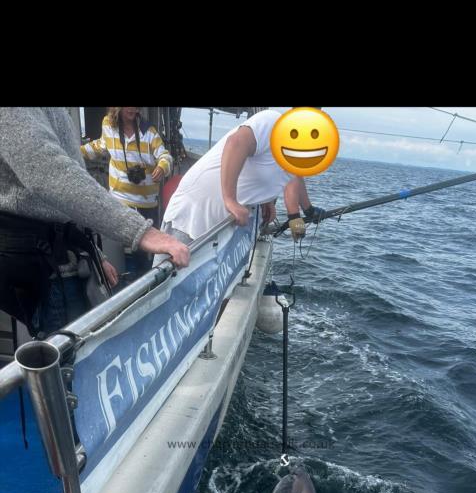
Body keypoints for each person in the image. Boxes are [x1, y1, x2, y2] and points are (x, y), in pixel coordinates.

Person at [0, 107, 190, 336]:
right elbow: (50, 172)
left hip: (78, 246)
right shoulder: (108, 130)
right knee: (67, 354)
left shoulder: (148, 133)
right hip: (44, 264)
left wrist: (96, 255)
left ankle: (143, 293)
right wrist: (143, 232)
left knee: (140, 263)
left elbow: (163, 155)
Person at [154, 108, 325, 259]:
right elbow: (236, 143)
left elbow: (294, 181)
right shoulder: (272, 121)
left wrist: (307, 210)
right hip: (192, 218)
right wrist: (230, 200)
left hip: (220, 231)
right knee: (165, 289)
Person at [81, 107, 173, 281]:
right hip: (119, 199)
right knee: (118, 244)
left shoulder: (149, 132)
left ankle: (144, 282)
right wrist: (76, 152)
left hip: (146, 203)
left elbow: (165, 156)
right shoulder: (108, 125)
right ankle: (120, 281)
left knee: (145, 250)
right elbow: (101, 146)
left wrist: (162, 167)